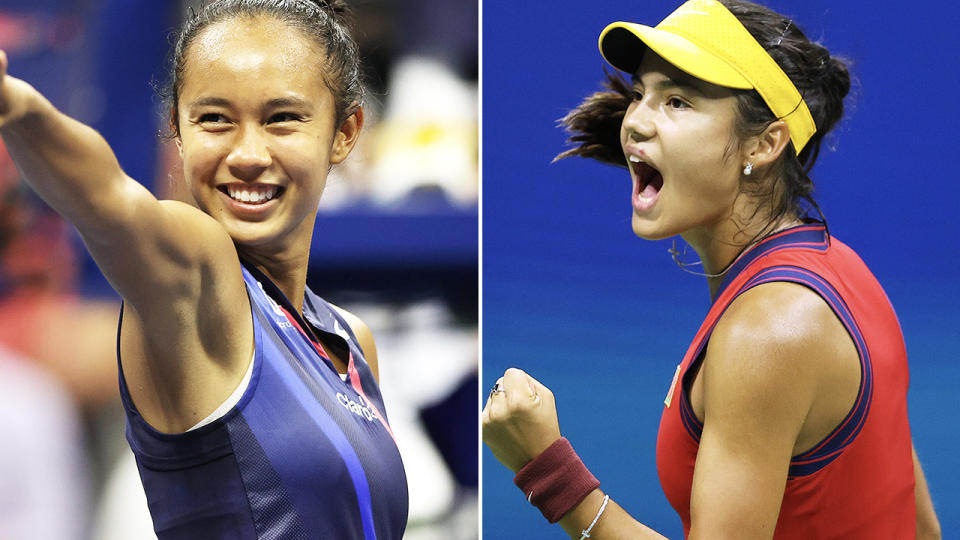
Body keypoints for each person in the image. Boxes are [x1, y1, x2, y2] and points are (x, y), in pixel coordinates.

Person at [482, 1, 941, 539]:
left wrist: (547, 469)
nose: (635, 122)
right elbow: (921, 528)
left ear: (765, 142)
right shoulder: (844, 270)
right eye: (639, 94)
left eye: (677, 101)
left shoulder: (767, 332)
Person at [0, 0, 408, 537]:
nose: (247, 153)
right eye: (214, 119)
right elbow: (108, 199)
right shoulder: (197, 276)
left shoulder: (351, 340)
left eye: (282, 118)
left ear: (344, 131)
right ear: (176, 128)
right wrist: (15, 106)